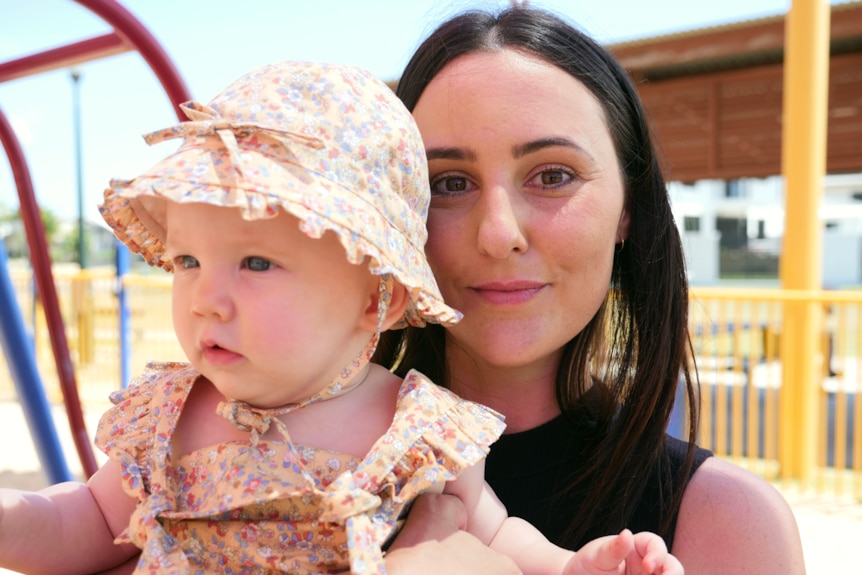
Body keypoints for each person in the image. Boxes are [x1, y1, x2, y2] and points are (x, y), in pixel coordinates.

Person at [0, 61, 682, 575]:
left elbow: (500, 534)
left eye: (256, 264)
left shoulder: (416, 429)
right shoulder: (169, 416)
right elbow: (83, 521)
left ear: (376, 299)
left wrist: (571, 564)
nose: (206, 297)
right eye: (186, 262)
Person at [374, 5, 806, 575]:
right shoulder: (267, 464)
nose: (499, 234)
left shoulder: (730, 523)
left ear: (628, 208)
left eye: (553, 175)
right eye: (449, 184)